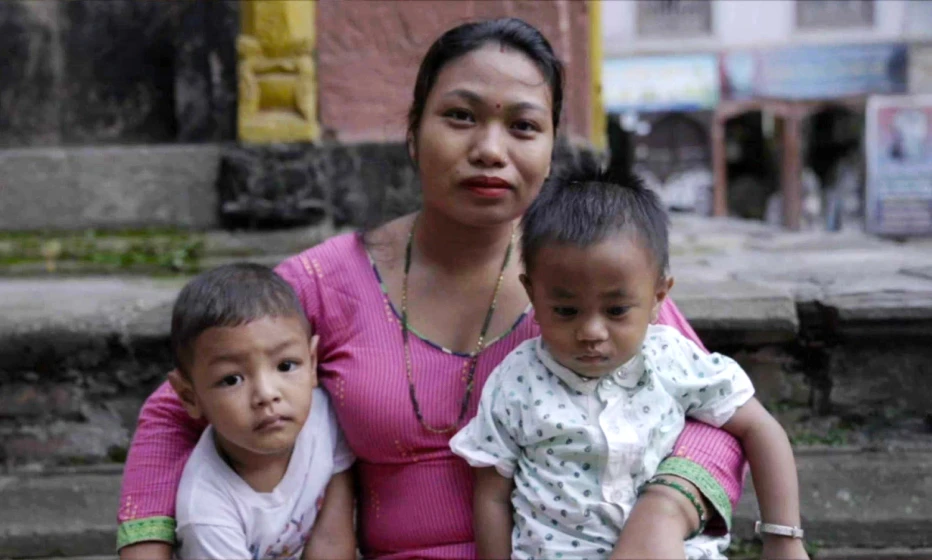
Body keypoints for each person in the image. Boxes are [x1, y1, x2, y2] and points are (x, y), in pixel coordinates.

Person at [117, 18, 748, 560]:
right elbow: (176, 408)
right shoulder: (327, 282)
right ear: (414, 133)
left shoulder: (587, 279)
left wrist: (667, 506)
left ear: (552, 150)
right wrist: (150, 546)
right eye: (460, 117)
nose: (489, 149)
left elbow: (717, 410)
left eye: (524, 127)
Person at [450, 166, 809, 560]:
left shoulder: (673, 360)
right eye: (566, 310)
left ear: (658, 296)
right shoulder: (516, 383)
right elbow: (492, 497)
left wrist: (783, 540)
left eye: (617, 310)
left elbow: (760, 429)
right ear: (533, 294)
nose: (591, 331)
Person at [165, 264, 355, 560]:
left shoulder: (325, 420)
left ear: (313, 362)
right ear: (190, 397)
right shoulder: (206, 512)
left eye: (286, 365)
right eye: (231, 379)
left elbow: (332, 538)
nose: (267, 394)